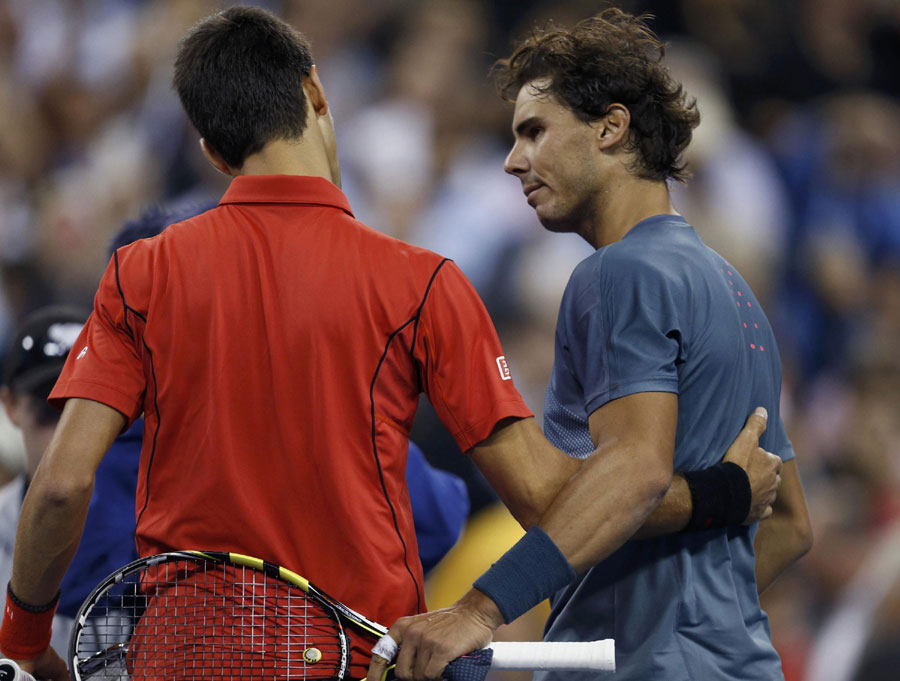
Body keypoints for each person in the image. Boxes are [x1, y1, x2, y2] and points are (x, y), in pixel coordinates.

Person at [0, 7, 779, 680]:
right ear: (315, 92)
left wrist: (27, 637)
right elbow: (549, 499)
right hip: (344, 656)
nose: (514, 157)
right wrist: (715, 497)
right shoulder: (423, 282)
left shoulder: (139, 270)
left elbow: (62, 484)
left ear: (210, 150)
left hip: (184, 654)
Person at [368, 10, 812, 681]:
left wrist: (480, 610)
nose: (515, 160)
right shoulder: (735, 288)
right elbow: (790, 525)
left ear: (611, 127)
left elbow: (634, 469)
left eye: (535, 132)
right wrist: (697, 624)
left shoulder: (617, 272)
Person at [0, 306, 140, 657]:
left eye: (90, 407)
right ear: (10, 405)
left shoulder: (157, 528)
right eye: (52, 407)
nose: (69, 432)